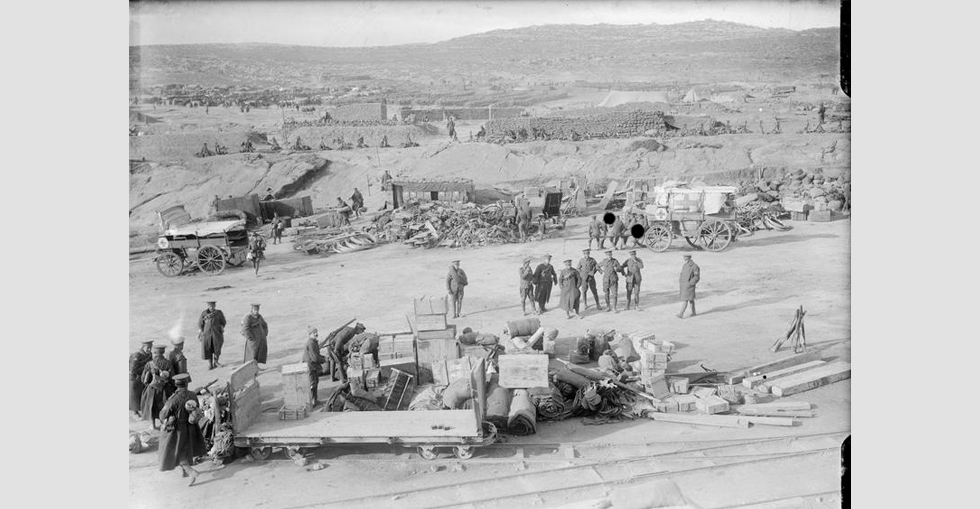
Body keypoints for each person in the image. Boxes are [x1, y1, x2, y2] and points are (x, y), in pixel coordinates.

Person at [157, 373, 207, 486]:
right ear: (187, 383)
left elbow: (162, 415)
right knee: (185, 448)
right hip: (191, 427)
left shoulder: (173, 399)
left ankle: (191, 472)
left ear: (176, 384)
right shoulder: (193, 395)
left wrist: (169, 418)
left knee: (176, 451)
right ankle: (185, 471)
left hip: (178, 430)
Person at [141, 344, 175, 430]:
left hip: (152, 389)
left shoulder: (149, 364)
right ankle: (164, 423)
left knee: (151, 406)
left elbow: (143, 378)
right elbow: (172, 378)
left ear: (155, 352)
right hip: (164, 389)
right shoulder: (168, 363)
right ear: (163, 352)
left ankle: (153, 425)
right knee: (164, 406)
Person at [198, 300, 226, 370]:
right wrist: (203, 331)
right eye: (210, 306)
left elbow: (223, 322)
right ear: (208, 306)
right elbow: (200, 324)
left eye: (213, 306)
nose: (211, 307)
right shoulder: (204, 313)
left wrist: (221, 327)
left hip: (217, 334)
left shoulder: (219, 313)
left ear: (215, 306)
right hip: (207, 335)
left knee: (217, 348)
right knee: (208, 349)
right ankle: (210, 364)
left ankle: (216, 362)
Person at [302, 327, 326, 407]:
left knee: (315, 382)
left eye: (316, 332)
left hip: (313, 365)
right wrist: (324, 360)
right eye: (313, 333)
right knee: (312, 384)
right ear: (309, 335)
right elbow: (315, 358)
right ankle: (312, 402)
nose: (316, 334)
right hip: (310, 366)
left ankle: (315, 400)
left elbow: (316, 355)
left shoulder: (313, 342)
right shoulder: (311, 343)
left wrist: (323, 357)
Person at [130, 340, 154, 418]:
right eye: (147, 348)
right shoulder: (137, 355)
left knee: (143, 394)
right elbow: (133, 370)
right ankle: (135, 411)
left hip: (143, 377)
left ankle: (142, 409)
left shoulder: (149, 354)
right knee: (135, 395)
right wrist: (146, 367)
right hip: (135, 378)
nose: (149, 350)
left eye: (150, 348)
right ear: (143, 347)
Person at [678, 254, 701, 318]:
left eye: (686, 258)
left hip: (689, 286)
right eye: (684, 258)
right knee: (691, 299)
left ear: (689, 258)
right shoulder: (685, 265)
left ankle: (681, 314)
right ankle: (693, 312)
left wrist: (690, 283)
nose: (685, 259)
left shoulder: (694, 266)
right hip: (684, 285)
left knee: (685, 300)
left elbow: (696, 277)